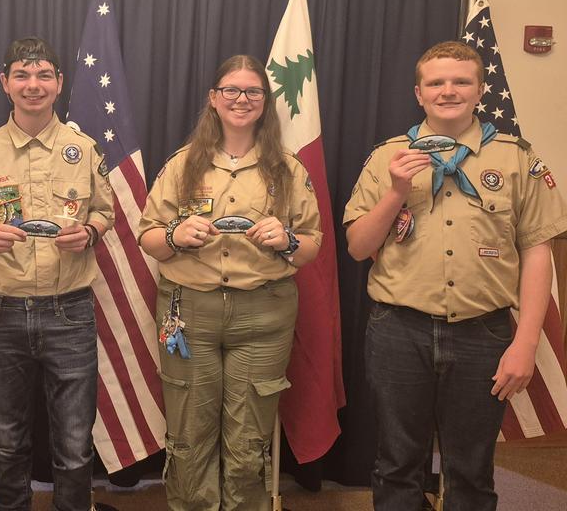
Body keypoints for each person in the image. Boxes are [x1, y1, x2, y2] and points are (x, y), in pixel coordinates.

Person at [344, 40, 567, 510]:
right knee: (396, 465)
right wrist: (396, 191)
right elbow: (359, 247)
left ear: (481, 90)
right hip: (398, 330)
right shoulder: (388, 157)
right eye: (436, 82)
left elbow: (537, 251)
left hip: (482, 332)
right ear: (419, 93)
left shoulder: (516, 158)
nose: (448, 91)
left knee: (471, 469)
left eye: (461, 81)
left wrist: (526, 343)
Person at [138, 54, 322, 510]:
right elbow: (147, 237)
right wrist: (175, 235)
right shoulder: (182, 165)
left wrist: (288, 239)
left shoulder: (288, 168)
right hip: (190, 313)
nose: (242, 99)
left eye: (253, 91)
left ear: (265, 100)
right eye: (231, 90)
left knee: (248, 441)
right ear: (213, 98)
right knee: (189, 434)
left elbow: (312, 246)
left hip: (263, 315)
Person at [0, 37, 114, 511]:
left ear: (59, 83)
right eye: (22, 75)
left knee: (74, 442)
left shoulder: (82, 148)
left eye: (44, 75)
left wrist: (89, 231)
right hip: (0, 311)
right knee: (7, 437)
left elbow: (105, 211)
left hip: (68, 311)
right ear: (4, 83)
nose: (33, 85)